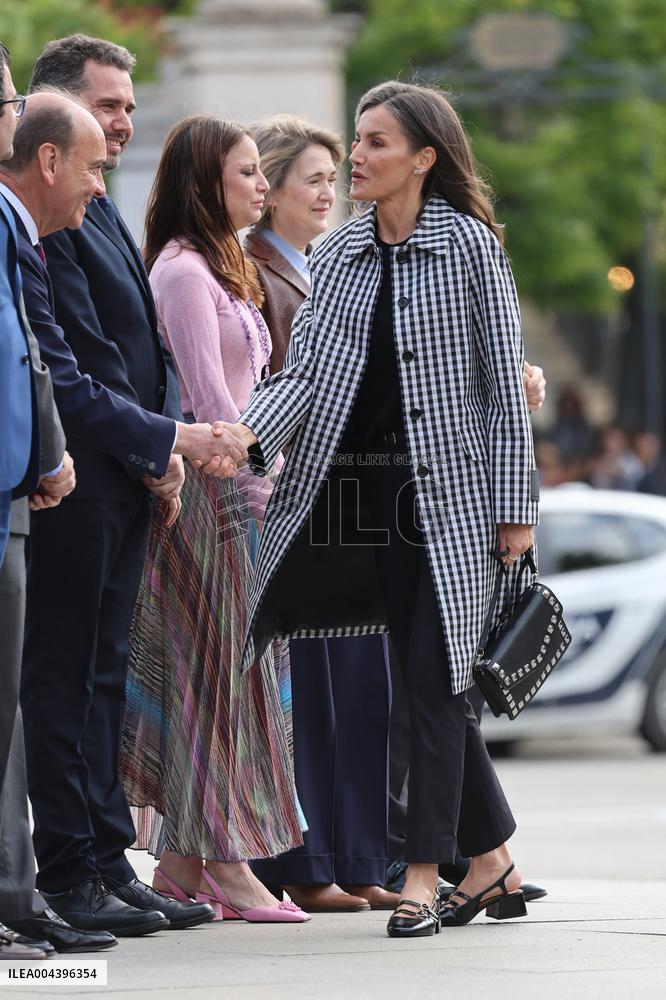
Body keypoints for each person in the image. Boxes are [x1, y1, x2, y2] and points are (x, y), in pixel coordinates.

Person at [214, 79, 540, 938]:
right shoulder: (347, 252)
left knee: (430, 687)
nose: (357, 157)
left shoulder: (469, 247)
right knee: (428, 679)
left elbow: (503, 389)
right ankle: (495, 866)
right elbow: (309, 378)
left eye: (377, 143)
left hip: (459, 504)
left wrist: (517, 508)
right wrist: (240, 440)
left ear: (424, 159)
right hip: (367, 506)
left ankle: (426, 879)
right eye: (357, 141)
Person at [14, 36, 244, 936]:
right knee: (63, 682)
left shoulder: (98, 198)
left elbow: (140, 343)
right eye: (110, 107)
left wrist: (163, 452)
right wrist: (168, 440)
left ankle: (110, 861)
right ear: (54, 116)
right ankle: (70, 873)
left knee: (102, 682)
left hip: (130, 477)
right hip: (76, 480)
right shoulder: (45, 213)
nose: (125, 125)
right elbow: (77, 363)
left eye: (129, 107)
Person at [120, 114, 309, 924]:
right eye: (244, 173)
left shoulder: (219, 266)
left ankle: (182, 863)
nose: (260, 185)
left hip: (248, 496)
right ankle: (226, 864)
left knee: (238, 680)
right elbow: (210, 412)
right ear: (204, 183)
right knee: (224, 683)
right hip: (214, 502)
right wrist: (268, 477)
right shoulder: (183, 273)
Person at [245, 114, 397, 913]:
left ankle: (357, 857)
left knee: (358, 695)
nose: (330, 193)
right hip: (295, 501)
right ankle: (308, 862)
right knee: (312, 699)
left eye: (333, 179)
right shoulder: (260, 271)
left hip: (351, 502)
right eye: (314, 179)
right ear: (267, 190)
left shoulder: (321, 266)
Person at [0, 42, 106, 961]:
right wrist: (49, 447)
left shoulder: (19, 225)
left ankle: (20, 897)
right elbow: (43, 361)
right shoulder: (8, 219)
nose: (100, 185)